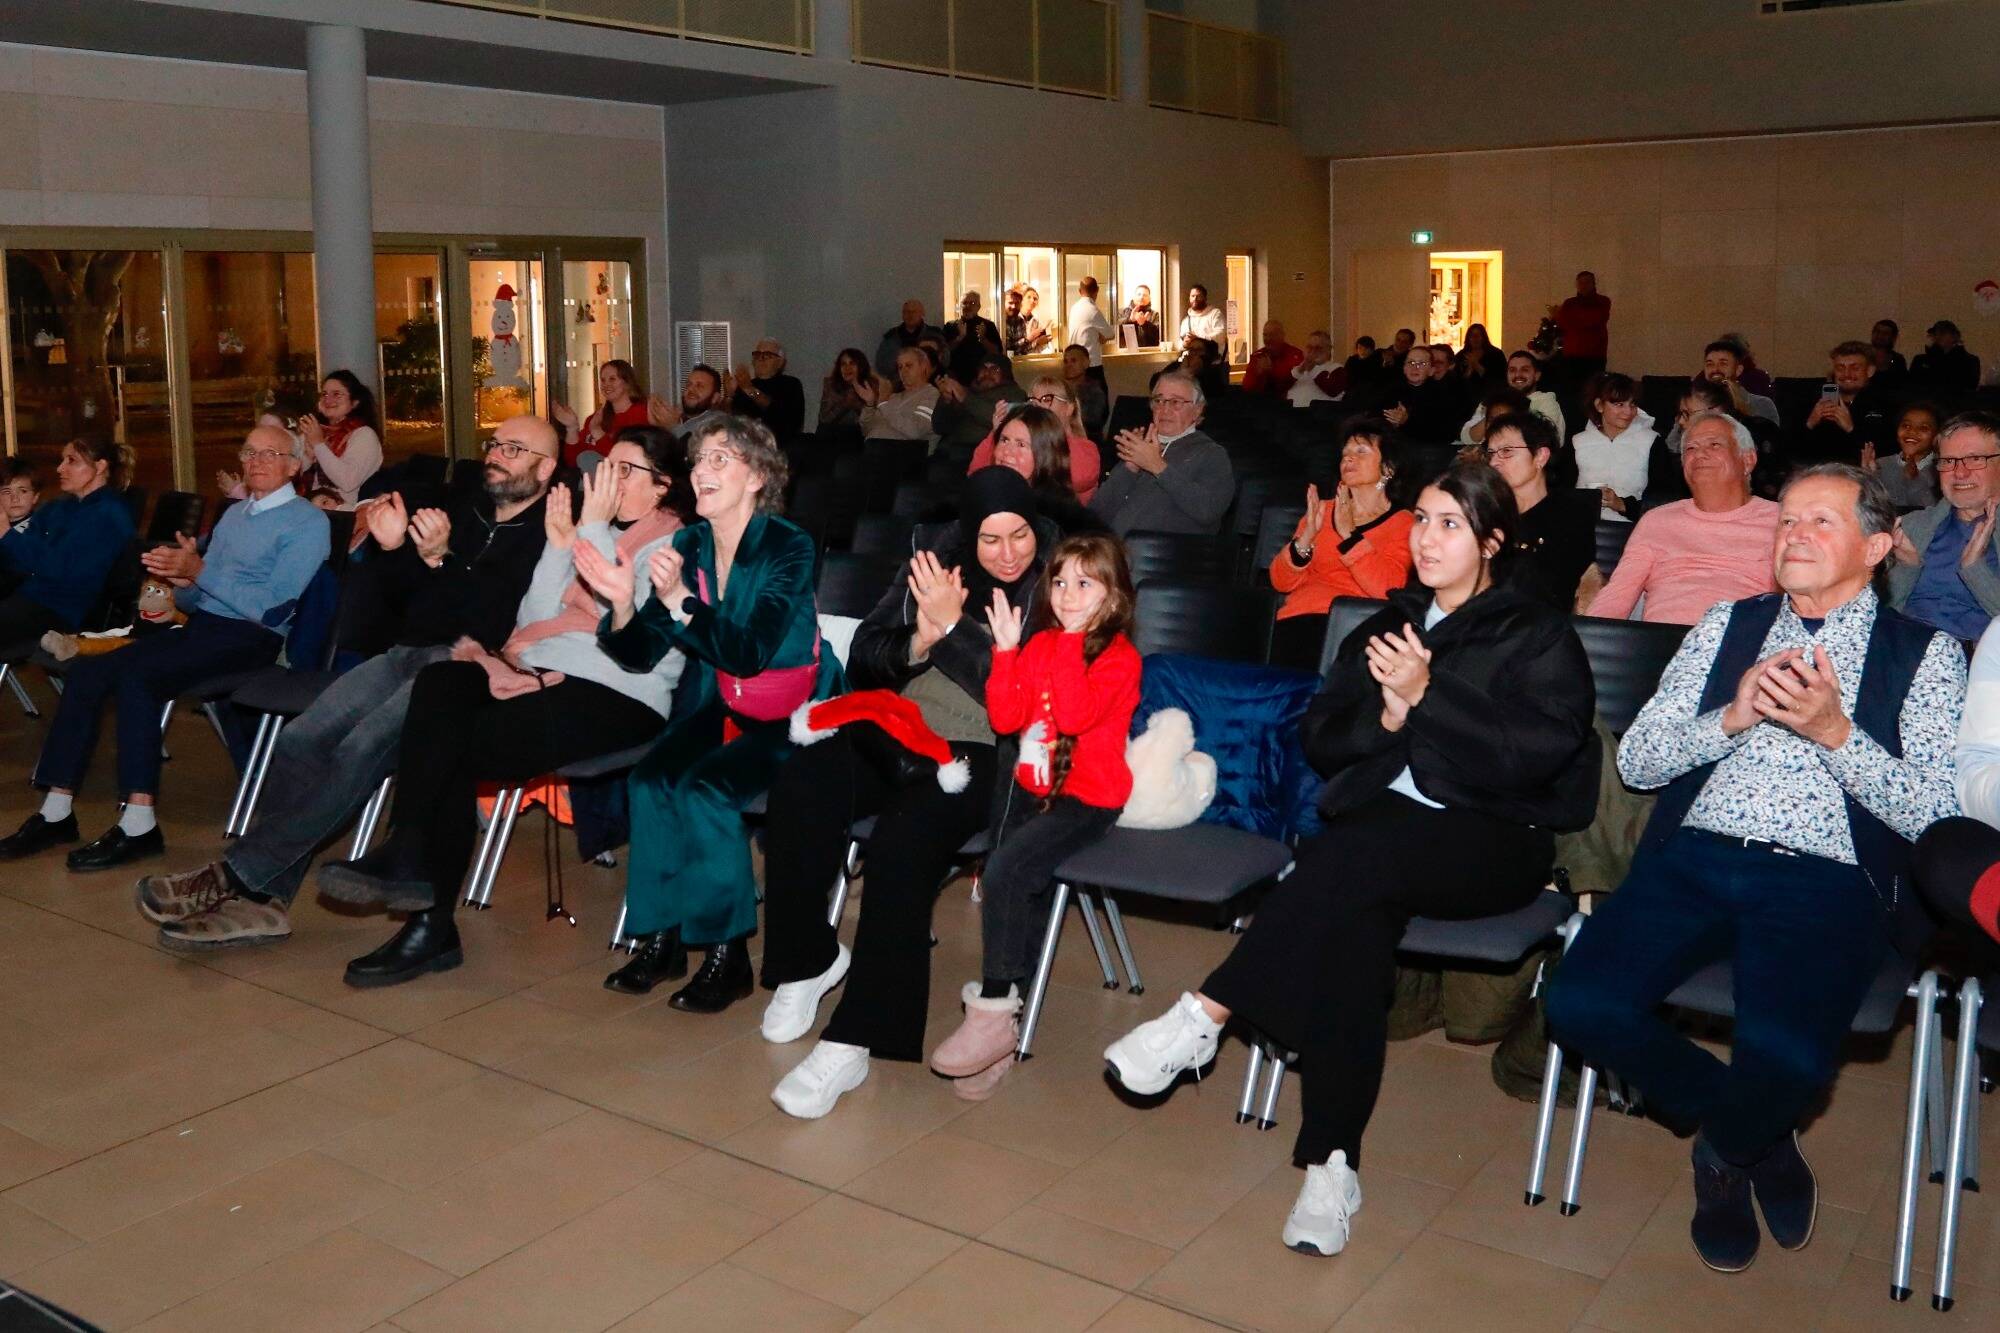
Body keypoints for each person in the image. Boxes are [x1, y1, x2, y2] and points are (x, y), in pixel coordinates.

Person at [1104, 461, 1599, 1258]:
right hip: (1378, 840)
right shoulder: (1385, 624)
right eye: (1423, 519)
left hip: (1493, 838)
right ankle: (1329, 1164)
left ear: (1493, 542)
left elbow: (1535, 756)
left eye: (1450, 524)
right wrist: (1394, 714)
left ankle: (1209, 1011)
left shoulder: (1532, 630)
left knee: (1349, 859)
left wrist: (1431, 694)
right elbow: (1321, 738)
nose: (1427, 538)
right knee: (1354, 923)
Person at [1546, 463, 1963, 1275]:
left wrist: (1838, 733)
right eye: (1786, 520)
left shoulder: (1926, 654)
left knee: (1790, 1060)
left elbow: (1936, 821)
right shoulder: (1725, 626)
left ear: (1877, 546)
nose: (1794, 534)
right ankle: (1754, 1141)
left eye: (1820, 522)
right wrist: (1728, 717)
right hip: (1696, 854)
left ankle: (1723, 1149)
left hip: (1828, 874)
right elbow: (1638, 760)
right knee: (1578, 1003)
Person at [138, 416, 562, 949]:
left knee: (360, 749)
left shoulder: (553, 530)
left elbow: (493, 619)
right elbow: (410, 601)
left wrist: (438, 559)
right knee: (300, 740)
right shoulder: (467, 508)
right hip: (409, 651)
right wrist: (395, 552)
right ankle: (267, 902)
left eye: (514, 449)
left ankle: (237, 877)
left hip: (471, 671)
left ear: (545, 467)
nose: (496, 455)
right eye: (495, 443)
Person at [315, 435, 693, 986]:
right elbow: (534, 619)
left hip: (620, 693)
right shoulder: (592, 531)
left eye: (625, 470)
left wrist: (585, 531)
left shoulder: (678, 542)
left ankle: (426, 912)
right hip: (542, 674)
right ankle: (412, 865)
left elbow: (624, 630)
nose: (607, 478)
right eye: (605, 466)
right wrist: (561, 546)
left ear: (663, 486)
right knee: (443, 682)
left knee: (449, 749)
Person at [760, 468, 1057, 1117]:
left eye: (1019, 535)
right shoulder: (932, 566)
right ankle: (809, 959)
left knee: (900, 843)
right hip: (899, 727)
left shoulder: (1060, 586)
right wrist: (918, 639)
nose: (1007, 552)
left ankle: (853, 1039)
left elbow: (1029, 702)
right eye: (990, 538)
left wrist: (952, 633)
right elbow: (867, 654)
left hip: (988, 755)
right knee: (803, 782)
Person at [591, 415, 840, 1010]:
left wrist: (681, 602)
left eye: (720, 460)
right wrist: (625, 606)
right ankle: (661, 936)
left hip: (794, 713)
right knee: (650, 779)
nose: (701, 470)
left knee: (706, 789)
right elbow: (640, 651)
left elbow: (750, 653)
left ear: (757, 476)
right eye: (698, 460)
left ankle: (727, 954)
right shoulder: (688, 544)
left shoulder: (788, 545)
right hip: (727, 700)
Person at [0, 424, 328, 870]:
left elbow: (271, 611)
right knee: (91, 671)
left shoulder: (308, 522)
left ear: (294, 465)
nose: (255, 463)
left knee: (139, 679)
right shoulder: (236, 514)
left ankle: (139, 824)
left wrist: (200, 571)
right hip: (205, 628)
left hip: (252, 639)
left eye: (269, 455)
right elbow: (199, 599)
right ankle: (55, 811)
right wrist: (183, 581)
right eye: (249, 452)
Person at [929, 532, 1141, 1098]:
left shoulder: (1120, 659)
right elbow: (1005, 718)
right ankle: (1000, 1030)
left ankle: (993, 1010)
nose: (1068, 595)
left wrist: (1070, 641)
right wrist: (1004, 651)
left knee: (1005, 871)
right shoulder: (1046, 644)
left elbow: (1072, 716)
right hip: (1034, 786)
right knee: (1018, 876)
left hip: (1089, 797)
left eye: (1085, 583)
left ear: (1114, 596)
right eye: (1061, 582)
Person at [1590, 411, 1780, 624]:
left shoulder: (1782, 521)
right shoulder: (1657, 521)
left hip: (1744, 646)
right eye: (1691, 448)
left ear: (1748, 460)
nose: (1700, 454)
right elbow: (1617, 597)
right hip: (1662, 647)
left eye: (1714, 445)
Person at [1268, 418, 1413, 669]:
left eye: (1361, 451)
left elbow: (1390, 588)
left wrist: (1350, 537)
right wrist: (1305, 539)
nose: (1348, 458)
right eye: (1345, 453)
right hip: (1300, 619)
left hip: (1356, 627)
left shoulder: (1405, 522)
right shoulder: (1321, 512)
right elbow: (1280, 581)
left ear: (1388, 468)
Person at [0, 438, 134, 648]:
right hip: (30, 595)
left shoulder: (108, 515)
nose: (60, 468)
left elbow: (60, 568)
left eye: (71, 461)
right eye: (62, 460)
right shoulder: (59, 507)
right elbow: (23, 557)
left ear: (100, 466)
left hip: (62, 610)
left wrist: (6, 534)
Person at [1887, 411, 2000, 642]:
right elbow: (1878, 613)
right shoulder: (1912, 527)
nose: (1959, 472)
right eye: (1948, 461)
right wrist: (1906, 567)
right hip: (1903, 649)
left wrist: (1975, 568)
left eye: (1975, 458)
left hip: (1977, 662)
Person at [1089, 370, 1234, 536]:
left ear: (1197, 410)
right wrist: (1130, 467)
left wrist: (1159, 467)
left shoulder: (1211, 454)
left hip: (1166, 556)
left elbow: (1208, 510)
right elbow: (1097, 513)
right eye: (1158, 400)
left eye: (1175, 402)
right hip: (1112, 550)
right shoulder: (1142, 447)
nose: (1164, 409)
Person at [1484, 412, 1598, 610]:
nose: (1494, 462)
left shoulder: (1572, 514)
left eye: (1507, 451)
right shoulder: (1485, 511)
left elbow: (1557, 588)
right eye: (1491, 453)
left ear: (1540, 456)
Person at [968, 386, 1103, 506]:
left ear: (1069, 408)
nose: (1037, 405)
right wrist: (996, 432)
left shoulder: (1083, 450)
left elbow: (1079, 478)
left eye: (1046, 399)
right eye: (1004, 440)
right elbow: (976, 476)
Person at [1573, 373, 1663, 521]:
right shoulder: (1578, 442)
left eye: (1633, 404)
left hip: (1633, 527)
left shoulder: (1651, 441)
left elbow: (1662, 498)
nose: (1628, 412)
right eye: (1619, 404)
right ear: (1599, 405)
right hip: (1582, 525)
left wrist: (1622, 504)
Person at [1794, 340, 1895, 465]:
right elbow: (1792, 450)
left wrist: (1851, 429)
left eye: (1855, 368)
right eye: (1840, 368)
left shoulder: (1884, 404)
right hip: (1818, 473)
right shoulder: (1815, 401)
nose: (1847, 374)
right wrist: (1810, 424)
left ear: (1870, 371)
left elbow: (1886, 454)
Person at [296, 370, 383, 509]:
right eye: (324, 394)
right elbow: (290, 475)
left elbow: (347, 481)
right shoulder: (314, 431)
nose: (328, 400)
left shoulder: (364, 435)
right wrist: (307, 456)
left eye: (337, 394)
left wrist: (319, 445)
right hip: (308, 508)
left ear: (354, 402)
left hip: (344, 513)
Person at [553, 359, 656, 470]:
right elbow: (573, 461)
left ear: (627, 383)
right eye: (603, 380)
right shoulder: (595, 419)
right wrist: (572, 428)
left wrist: (598, 434)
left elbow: (627, 460)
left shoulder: (642, 414)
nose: (606, 385)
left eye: (612, 379)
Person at [1460, 350, 1565, 446]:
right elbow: (1467, 438)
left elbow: (1554, 440)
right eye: (1512, 370)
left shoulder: (1546, 401)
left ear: (1537, 375)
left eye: (1525, 370)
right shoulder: (1493, 400)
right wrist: (1493, 415)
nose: (1518, 374)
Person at [932, 351, 1020, 452]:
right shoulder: (969, 391)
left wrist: (966, 398)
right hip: (950, 450)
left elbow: (1003, 420)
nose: (987, 373)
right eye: (983, 368)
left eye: (994, 369)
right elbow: (939, 427)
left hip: (983, 452)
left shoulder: (1014, 393)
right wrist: (945, 401)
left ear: (1005, 374)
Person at [1863, 400, 1943, 510]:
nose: (1912, 432)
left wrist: (1913, 480)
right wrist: (1868, 477)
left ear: (1936, 437)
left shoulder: (1942, 469)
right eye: (1906, 426)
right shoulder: (1881, 464)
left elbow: (1935, 513)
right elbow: (1868, 509)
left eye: (1923, 428)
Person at [1375, 346, 1461, 446]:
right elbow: (1375, 417)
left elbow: (1444, 433)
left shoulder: (1443, 395)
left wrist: (1407, 421)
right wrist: (1390, 424)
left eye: (1422, 363)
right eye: (1411, 362)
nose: (1415, 367)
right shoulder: (1390, 390)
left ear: (1431, 370)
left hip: (1427, 452)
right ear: (1404, 368)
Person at [859, 346, 940, 443]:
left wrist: (884, 403)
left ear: (923, 367)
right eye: (900, 367)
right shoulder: (894, 397)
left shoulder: (931, 395)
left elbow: (915, 431)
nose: (903, 371)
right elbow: (867, 430)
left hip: (905, 453)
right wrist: (870, 404)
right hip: (874, 450)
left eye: (909, 365)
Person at [729, 339, 806, 441]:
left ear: (780, 362)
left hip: (781, 445)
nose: (761, 359)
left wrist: (749, 389)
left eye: (767, 355)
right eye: (757, 354)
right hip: (748, 445)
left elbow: (779, 414)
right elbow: (732, 421)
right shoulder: (745, 385)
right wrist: (729, 394)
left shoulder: (791, 384)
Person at [1699, 341, 1781, 428]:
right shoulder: (1696, 404)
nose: (1715, 369)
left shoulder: (1761, 404)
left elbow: (1771, 439)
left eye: (1723, 363)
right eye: (1709, 364)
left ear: (1738, 370)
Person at [1554, 270, 1611, 387]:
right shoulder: (1569, 303)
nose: (1584, 286)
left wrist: (1574, 318)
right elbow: (1562, 323)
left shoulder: (1603, 301)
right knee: (1571, 390)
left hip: (1594, 356)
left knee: (1593, 390)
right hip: (1571, 356)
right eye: (1580, 283)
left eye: (1587, 282)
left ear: (1593, 284)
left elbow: (1595, 319)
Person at [941, 292, 1003, 386]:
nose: (968, 306)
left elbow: (997, 352)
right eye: (965, 303)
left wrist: (983, 339)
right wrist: (959, 338)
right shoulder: (950, 326)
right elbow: (944, 353)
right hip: (956, 376)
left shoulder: (988, 325)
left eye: (972, 303)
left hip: (981, 377)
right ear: (959, 306)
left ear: (979, 307)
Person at [875, 300, 943, 381]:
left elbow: (945, 359)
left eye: (914, 311)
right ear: (902, 315)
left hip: (929, 381)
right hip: (898, 383)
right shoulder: (891, 336)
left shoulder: (934, 334)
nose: (910, 315)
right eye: (906, 312)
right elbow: (881, 364)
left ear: (922, 313)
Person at [817, 347, 875, 437]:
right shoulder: (830, 384)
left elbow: (874, 421)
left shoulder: (870, 384)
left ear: (860, 366)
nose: (847, 368)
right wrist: (844, 404)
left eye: (852, 363)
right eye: (843, 364)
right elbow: (823, 419)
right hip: (834, 433)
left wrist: (856, 404)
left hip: (860, 434)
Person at [1912, 320, 1980, 396]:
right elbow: (1913, 386)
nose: (1937, 337)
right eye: (1934, 334)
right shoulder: (1920, 360)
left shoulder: (1969, 361)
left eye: (1942, 333)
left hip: (1956, 405)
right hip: (1927, 404)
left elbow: (1968, 388)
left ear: (1955, 337)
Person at [1242, 320, 1305, 397]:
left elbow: (1295, 383)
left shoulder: (1295, 354)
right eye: (1265, 335)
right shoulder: (1257, 357)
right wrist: (1258, 374)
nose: (1268, 339)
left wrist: (1270, 372)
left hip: (1289, 403)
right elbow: (1246, 387)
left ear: (1282, 335)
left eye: (1272, 335)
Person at [1061, 344, 1110, 441]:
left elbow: (1092, 421)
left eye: (1073, 361)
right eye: (1065, 362)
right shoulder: (1059, 388)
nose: (1068, 365)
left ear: (1086, 363)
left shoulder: (1094, 390)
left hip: (1088, 441)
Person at [1287, 331, 1345, 407]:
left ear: (1328, 350)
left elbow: (1333, 390)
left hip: (1320, 415)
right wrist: (1299, 371)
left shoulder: (1337, 369)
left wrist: (1313, 369)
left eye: (1318, 348)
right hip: (1292, 415)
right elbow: (1281, 388)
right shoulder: (1297, 370)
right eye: (1310, 347)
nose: (1313, 351)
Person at [1068, 277, 1115, 370]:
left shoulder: (1074, 308)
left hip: (1073, 361)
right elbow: (1111, 334)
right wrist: (1101, 337)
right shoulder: (1093, 310)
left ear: (1079, 291)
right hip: (1090, 363)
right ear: (1097, 290)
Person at [1454, 322, 1505, 387]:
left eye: (1478, 335)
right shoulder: (1461, 356)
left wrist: (1477, 365)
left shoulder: (1496, 354)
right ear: (1468, 338)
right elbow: (1456, 380)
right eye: (1472, 335)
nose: (1475, 338)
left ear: (1484, 337)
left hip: (1491, 394)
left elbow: (1500, 378)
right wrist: (1468, 371)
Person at [1178, 284, 1226, 350]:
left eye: (1198, 296)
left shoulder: (1215, 313)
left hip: (1212, 357)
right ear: (1189, 298)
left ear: (1205, 298)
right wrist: (1184, 344)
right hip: (1190, 356)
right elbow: (1180, 344)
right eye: (1193, 296)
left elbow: (1221, 335)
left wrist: (1198, 337)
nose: (1195, 299)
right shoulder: (1186, 321)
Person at [1, 459, 39, 536]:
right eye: (7, 492)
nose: (15, 499)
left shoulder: (42, 529)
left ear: (35, 497)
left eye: (23, 491)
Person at [1871, 318, 1908, 387]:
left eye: (1885, 333)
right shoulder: (1861, 356)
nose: (1880, 336)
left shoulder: (1898, 360)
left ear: (1893, 337)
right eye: (1877, 332)